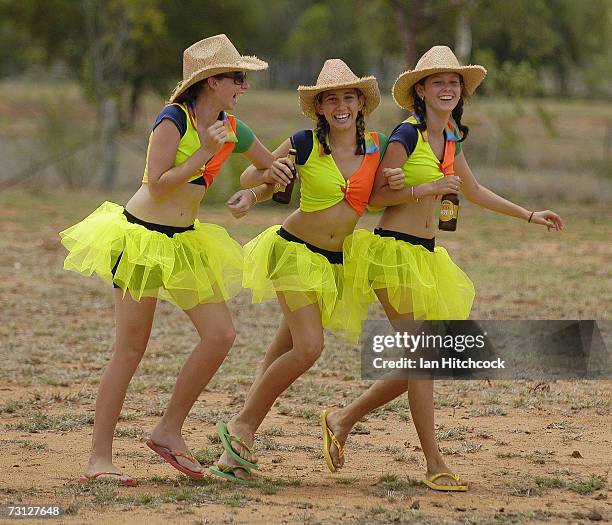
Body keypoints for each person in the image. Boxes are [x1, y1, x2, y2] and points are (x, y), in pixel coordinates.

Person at [321, 46, 563, 491]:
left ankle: (342, 417)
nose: (448, 88)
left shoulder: (450, 135)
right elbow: (374, 197)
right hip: (391, 254)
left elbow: (472, 189)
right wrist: (426, 187)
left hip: (428, 256)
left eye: (454, 82)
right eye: (438, 82)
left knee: (422, 360)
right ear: (421, 91)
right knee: (426, 358)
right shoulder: (405, 135)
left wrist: (529, 214)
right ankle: (434, 462)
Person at [59, 34, 274, 485]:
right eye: (237, 77)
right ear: (211, 81)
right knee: (131, 349)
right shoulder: (173, 119)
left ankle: (168, 429)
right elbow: (157, 184)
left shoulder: (233, 127)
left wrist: (255, 190)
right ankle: (98, 458)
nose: (243, 85)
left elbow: (271, 167)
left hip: (185, 241)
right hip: (142, 238)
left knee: (221, 335)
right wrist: (204, 153)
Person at [210, 59, 390, 484]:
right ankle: (241, 427)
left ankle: (236, 451)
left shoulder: (378, 148)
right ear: (321, 108)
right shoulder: (305, 143)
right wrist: (254, 191)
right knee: (309, 348)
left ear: (361, 103)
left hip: (332, 264)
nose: (341, 105)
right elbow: (259, 172)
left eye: (349, 97)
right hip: (294, 251)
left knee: (280, 354)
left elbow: (383, 196)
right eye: (332, 99)